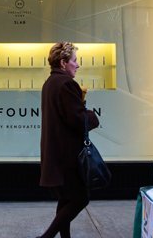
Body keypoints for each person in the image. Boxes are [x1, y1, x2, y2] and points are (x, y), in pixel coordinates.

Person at [37, 42, 100, 238]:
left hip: (56, 154)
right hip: (67, 157)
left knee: (66, 199)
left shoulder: (50, 83)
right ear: (64, 63)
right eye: (74, 60)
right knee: (80, 199)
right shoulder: (66, 84)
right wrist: (92, 115)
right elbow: (77, 119)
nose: (77, 65)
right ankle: (47, 236)